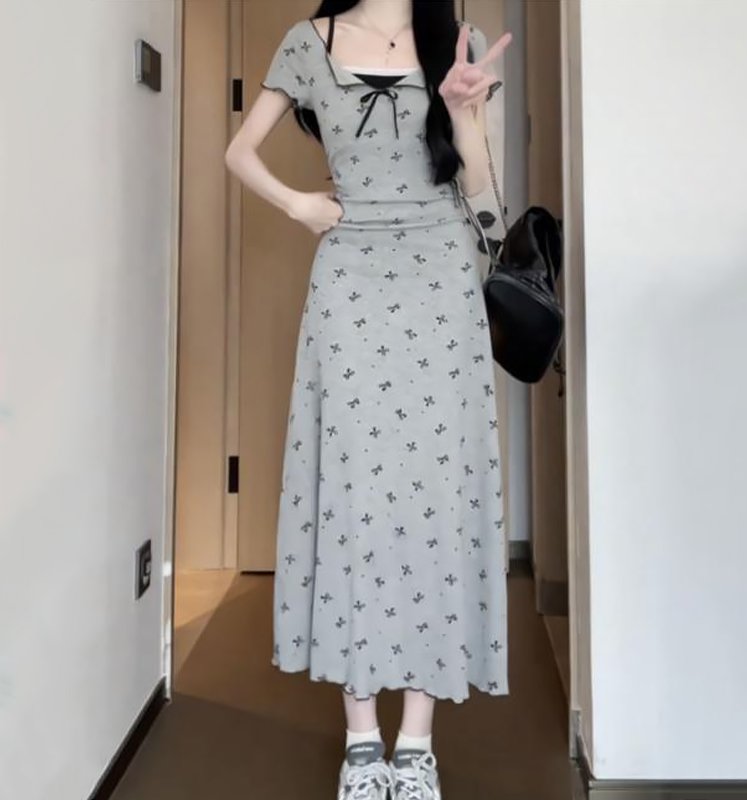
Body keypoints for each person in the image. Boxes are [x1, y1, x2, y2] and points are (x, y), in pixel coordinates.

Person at [225, 1, 512, 797]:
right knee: (355, 494)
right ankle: (361, 740)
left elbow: (486, 204)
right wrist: (299, 204)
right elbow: (239, 151)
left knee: (434, 494)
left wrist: (467, 117)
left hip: (441, 275)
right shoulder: (307, 43)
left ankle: (416, 744)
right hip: (350, 276)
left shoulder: (457, 41)